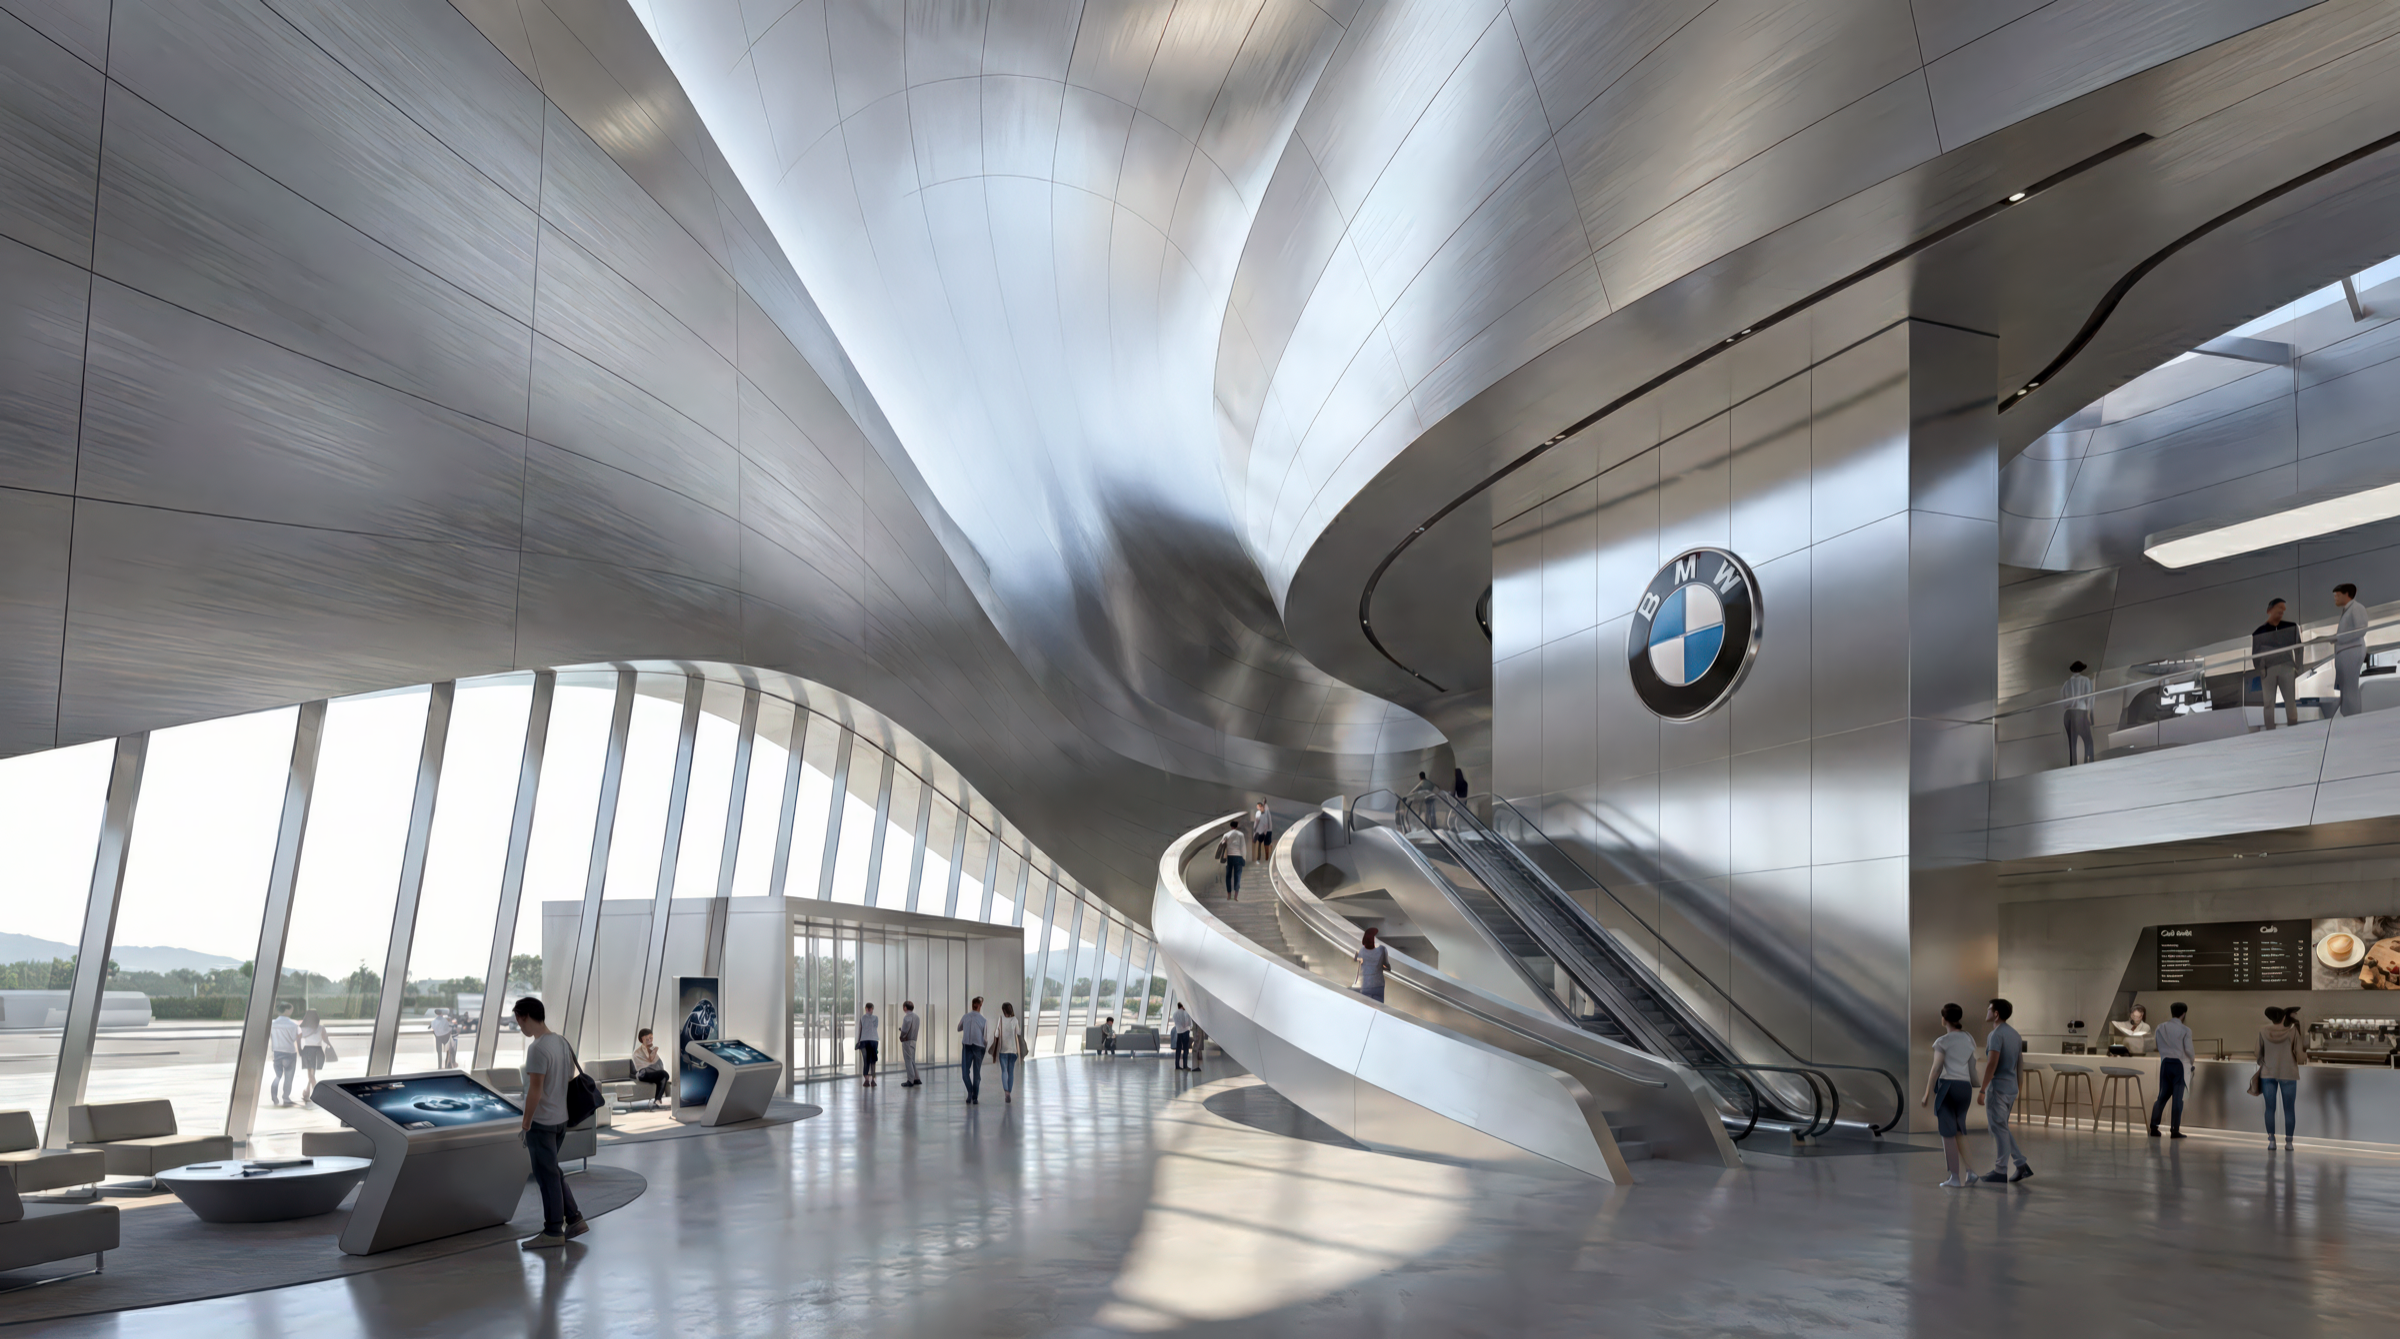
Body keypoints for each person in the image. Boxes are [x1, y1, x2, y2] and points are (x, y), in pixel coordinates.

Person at [514, 996, 587, 1248]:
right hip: (561, 1120)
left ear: (524, 1017)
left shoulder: (537, 1048)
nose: (519, 1027)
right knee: (553, 1171)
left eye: (518, 1020)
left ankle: (553, 1231)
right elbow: (566, 1078)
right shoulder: (562, 1042)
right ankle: (575, 1218)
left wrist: (525, 1124)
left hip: (542, 1123)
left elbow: (535, 1090)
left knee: (546, 1176)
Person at [1920, 1002, 1977, 1189]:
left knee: (1947, 1133)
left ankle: (1954, 1177)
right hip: (1965, 1087)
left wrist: (1927, 1093)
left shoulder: (1942, 1041)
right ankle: (1971, 1171)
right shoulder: (1969, 1038)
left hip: (1947, 1087)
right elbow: (1971, 1065)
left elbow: (1936, 1068)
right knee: (1960, 1131)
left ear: (1944, 1019)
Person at [1977, 999, 2031, 1184]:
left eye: (1989, 1008)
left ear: (1996, 1013)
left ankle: (2000, 1170)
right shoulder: (2015, 1035)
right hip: (2011, 1087)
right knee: (2002, 1127)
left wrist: (1982, 1089)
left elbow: (1992, 1063)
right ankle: (2021, 1164)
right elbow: (2019, 1064)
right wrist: (2019, 1087)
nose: (1987, 1011)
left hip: (1998, 1088)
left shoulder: (1995, 1035)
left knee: (1998, 1128)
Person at [2257, 1006, 2306, 1148]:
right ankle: (2289, 1143)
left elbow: (2256, 1052)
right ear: (2284, 1017)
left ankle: (2272, 1141)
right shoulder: (2292, 1031)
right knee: (2289, 1109)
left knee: (2269, 1109)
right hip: (2288, 1073)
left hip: (2267, 1073)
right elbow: (2300, 1055)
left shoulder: (2263, 1031)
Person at [2253, 598, 2303, 729]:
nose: (2282, 611)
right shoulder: (2259, 633)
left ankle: (2293, 725)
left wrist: (2299, 666)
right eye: (2279, 608)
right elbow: (2255, 655)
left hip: (2286, 667)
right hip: (2268, 670)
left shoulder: (2290, 627)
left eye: (2283, 608)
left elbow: (2299, 647)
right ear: (2269, 610)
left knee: (2290, 700)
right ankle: (2270, 729)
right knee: (2268, 703)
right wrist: (2261, 669)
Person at [2151, 1001, 2196, 1138]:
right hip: (2179, 1066)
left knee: (2162, 1096)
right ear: (2184, 1014)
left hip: (2165, 1063)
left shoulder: (2160, 1027)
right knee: (2177, 1099)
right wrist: (2192, 1063)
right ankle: (2174, 1130)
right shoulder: (2185, 1030)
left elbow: (2157, 1045)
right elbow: (2189, 1050)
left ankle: (2154, 1127)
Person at [2334, 583, 2368, 716]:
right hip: (2346, 651)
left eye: (2337, 595)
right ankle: (2349, 715)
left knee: (2350, 688)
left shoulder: (2357, 608)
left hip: (2351, 651)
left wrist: (2339, 638)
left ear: (2347, 594)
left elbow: (2361, 630)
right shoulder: (2347, 610)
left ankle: (2353, 717)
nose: (2335, 598)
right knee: (2346, 688)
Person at [2062, 661, 2096, 765]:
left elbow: (2062, 701)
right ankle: (2089, 762)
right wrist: (2090, 714)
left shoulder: (2066, 683)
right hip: (2080, 712)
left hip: (2068, 714)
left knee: (2072, 743)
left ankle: (2073, 765)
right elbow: (2089, 697)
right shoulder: (2085, 680)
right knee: (2088, 741)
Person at [268, 1003, 300, 1107]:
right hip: (290, 1053)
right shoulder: (293, 1024)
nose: (292, 1011)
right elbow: (295, 1038)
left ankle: (274, 1096)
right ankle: (286, 1098)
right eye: (291, 1010)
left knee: (278, 1075)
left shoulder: (272, 1023)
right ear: (287, 1010)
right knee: (288, 1077)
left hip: (277, 1052)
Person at [958, 997, 988, 1104]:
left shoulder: (965, 1016)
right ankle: (975, 1097)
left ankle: (970, 1092)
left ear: (972, 1005)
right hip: (979, 1047)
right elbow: (985, 1038)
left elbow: (958, 1028)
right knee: (977, 1073)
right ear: (980, 1006)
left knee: (965, 1073)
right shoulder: (983, 1020)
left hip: (967, 1046)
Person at [631, 1027, 669, 1107]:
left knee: (663, 1076)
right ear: (642, 1039)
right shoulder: (637, 1052)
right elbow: (641, 1067)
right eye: (646, 1039)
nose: (649, 1040)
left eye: (651, 1038)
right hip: (643, 1074)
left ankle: (657, 1101)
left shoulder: (652, 1050)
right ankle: (657, 1100)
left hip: (652, 1073)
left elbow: (658, 1063)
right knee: (664, 1074)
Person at [299, 1009, 330, 1102]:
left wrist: (300, 1050)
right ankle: (309, 1091)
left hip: (308, 1050)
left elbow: (298, 1039)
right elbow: (325, 1039)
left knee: (310, 1074)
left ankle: (315, 1093)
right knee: (312, 1074)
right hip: (318, 1051)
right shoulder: (321, 1028)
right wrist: (329, 1045)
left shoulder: (302, 1028)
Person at [1354, 927, 1390, 1003]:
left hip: (1366, 985)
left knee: (1366, 1008)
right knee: (1378, 1007)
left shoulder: (1361, 951)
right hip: (1378, 985)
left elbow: (1357, 959)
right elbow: (1387, 966)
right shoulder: (1382, 949)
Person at [997, 1002, 1022, 1103]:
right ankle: (1009, 1093)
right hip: (1013, 1050)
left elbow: (996, 1033)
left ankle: (1006, 1092)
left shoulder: (1001, 1019)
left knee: (1004, 1071)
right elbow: (1018, 1033)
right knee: (1011, 1071)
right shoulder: (1015, 1020)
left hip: (1003, 1049)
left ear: (1003, 1010)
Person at [1216, 821, 1246, 900]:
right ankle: (1236, 896)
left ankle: (1229, 895)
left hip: (1230, 857)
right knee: (1237, 876)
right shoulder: (1241, 834)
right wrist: (1244, 857)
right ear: (1237, 825)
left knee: (1228, 876)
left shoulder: (1226, 835)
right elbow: (1243, 847)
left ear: (1230, 826)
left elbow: (1221, 844)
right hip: (1239, 857)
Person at [898, 1001, 921, 1087]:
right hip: (914, 1040)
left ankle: (910, 1080)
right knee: (912, 1060)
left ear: (905, 1008)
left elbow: (905, 1029)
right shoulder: (917, 1017)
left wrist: (901, 1036)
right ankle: (916, 1078)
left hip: (907, 1041)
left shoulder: (907, 1017)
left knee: (908, 1060)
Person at [857, 1002, 880, 1087]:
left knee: (865, 1061)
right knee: (873, 1061)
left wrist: (858, 1041)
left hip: (864, 1041)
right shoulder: (875, 1018)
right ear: (872, 1009)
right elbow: (875, 1026)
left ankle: (866, 1080)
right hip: (873, 1040)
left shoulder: (862, 1018)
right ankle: (873, 1080)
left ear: (866, 1009)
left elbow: (860, 1029)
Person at [1171, 1002, 1195, 1071]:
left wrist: (1180, 1027)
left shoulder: (1175, 1013)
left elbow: (1176, 1023)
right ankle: (1185, 1066)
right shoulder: (1186, 1013)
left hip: (1178, 1032)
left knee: (1178, 1049)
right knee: (1185, 1049)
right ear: (1183, 1006)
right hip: (1185, 1032)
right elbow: (1188, 1023)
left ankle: (1177, 1066)